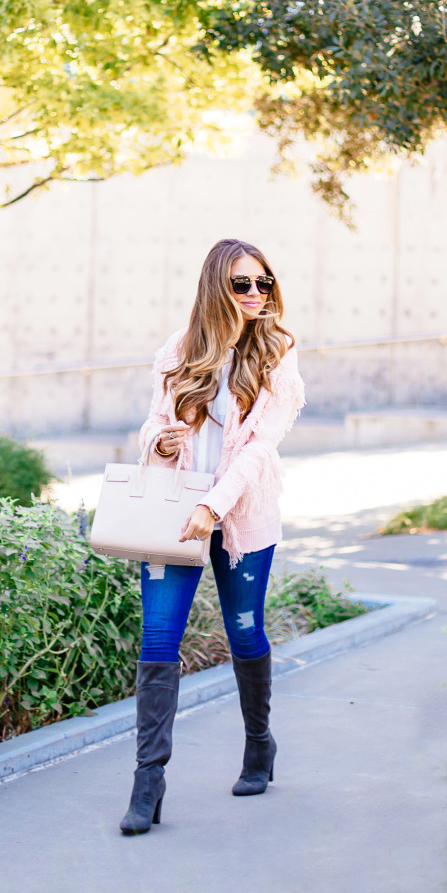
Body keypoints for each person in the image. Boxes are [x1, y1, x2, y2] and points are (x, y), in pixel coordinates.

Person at [119, 238, 305, 836]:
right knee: (157, 636)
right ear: (215, 288)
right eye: (242, 284)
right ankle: (148, 783)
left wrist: (212, 506)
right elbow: (154, 418)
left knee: (244, 631)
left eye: (264, 283)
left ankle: (258, 743)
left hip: (242, 514)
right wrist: (160, 441)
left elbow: (257, 450)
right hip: (174, 511)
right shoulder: (178, 349)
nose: (257, 295)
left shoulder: (278, 354)